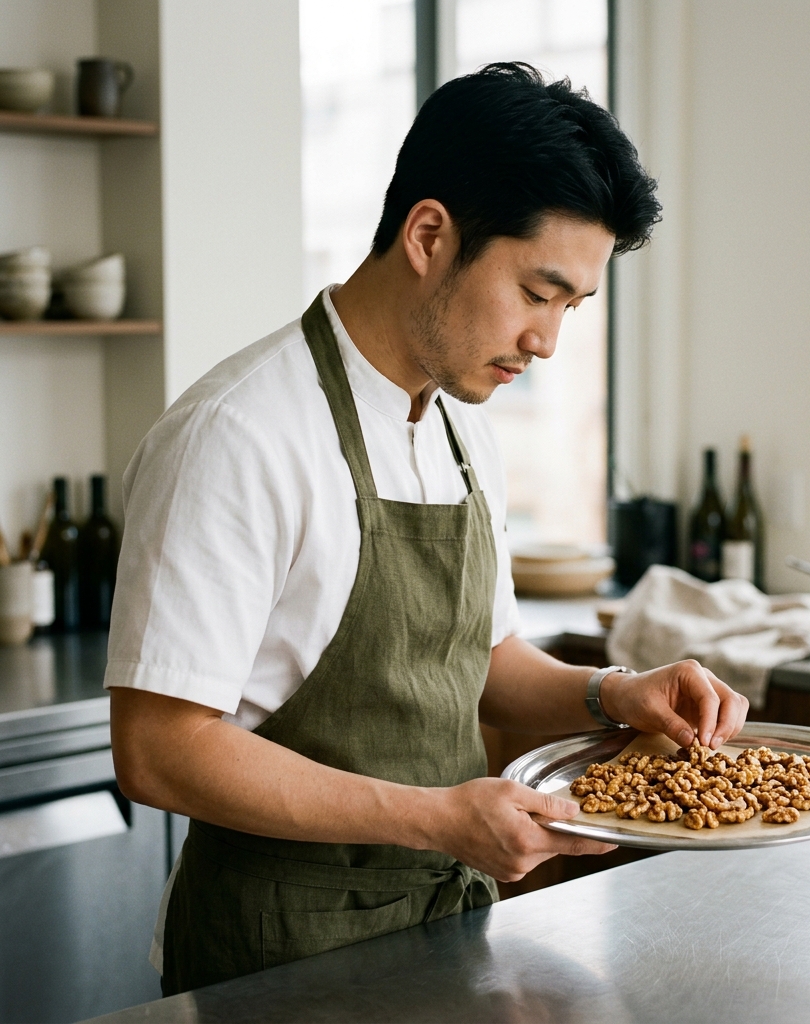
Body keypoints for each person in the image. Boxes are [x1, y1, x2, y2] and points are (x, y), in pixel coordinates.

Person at [107, 63, 749, 995]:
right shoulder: (237, 434)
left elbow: (482, 660)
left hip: (446, 932)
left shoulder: (459, 427)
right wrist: (437, 818)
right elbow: (159, 749)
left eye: (571, 308)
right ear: (428, 235)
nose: (547, 341)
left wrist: (617, 694)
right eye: (536, 293)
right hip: (275, 957)